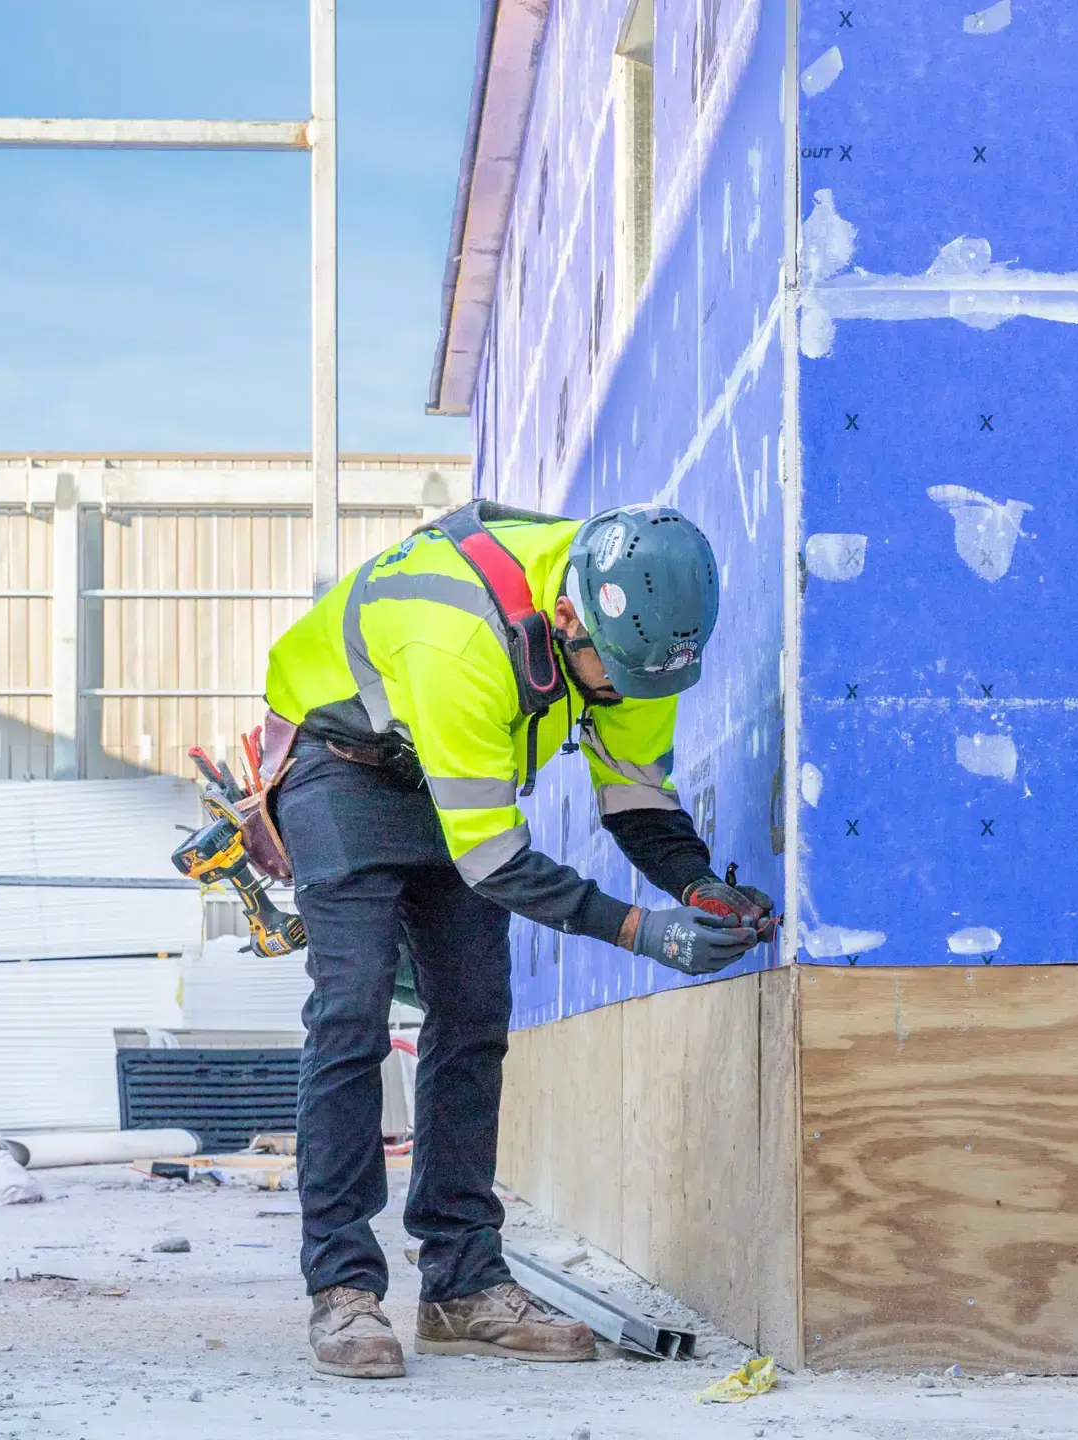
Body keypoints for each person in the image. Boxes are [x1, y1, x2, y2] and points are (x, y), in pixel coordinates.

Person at [257, 501, 774, 1379]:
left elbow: (637, 798)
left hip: (444, 769)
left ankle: (463, 1284)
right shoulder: (458, 635)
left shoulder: (634, 642)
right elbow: (495, 861)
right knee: (352, 1008)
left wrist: (701, 888)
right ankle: (343, 1290)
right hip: (343, 768)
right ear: (567, 615)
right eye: (607, 680)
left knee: (474, 1013)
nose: (617, 698)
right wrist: (650, 933)